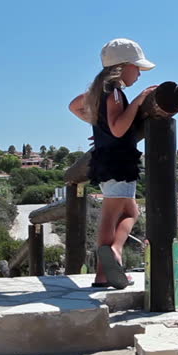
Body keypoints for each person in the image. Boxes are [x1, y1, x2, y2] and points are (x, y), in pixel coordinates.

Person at [69, 38, 157, 289]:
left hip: (104, 160)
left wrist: (99, 126)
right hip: (119, 161)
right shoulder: (116, 92)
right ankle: (114, 255)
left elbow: (74, 106)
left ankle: (103, 272)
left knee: (129, 211)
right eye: (137, 68)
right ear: (123, 66)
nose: (139, 73)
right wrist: (139, 100)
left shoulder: (100, 91)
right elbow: (119, 130)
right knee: (113, 215)